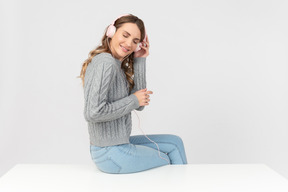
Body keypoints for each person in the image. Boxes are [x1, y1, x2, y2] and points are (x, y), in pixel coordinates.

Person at [78, 13, 188, 174]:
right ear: (111, 31)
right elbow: (92, 113)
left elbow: (140, 104)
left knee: (174, 143)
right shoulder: (106, 62)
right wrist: (133, 100)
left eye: (135, 41)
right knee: (170, 157)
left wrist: (140, 60)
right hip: (110, 153)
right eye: (125, 35)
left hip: (118, 146)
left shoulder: (116, 65)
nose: (129, 43)